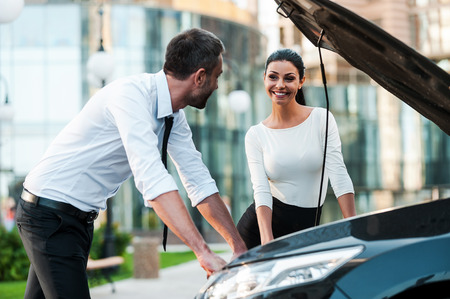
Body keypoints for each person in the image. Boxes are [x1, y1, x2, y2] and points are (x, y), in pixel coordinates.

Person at [15, 28, 247, 299]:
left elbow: (199, 181)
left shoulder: (173, 116)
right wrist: (203, 252)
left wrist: (239, 247)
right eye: (217, 76)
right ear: (200, 77)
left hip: (75, 219)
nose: (218, 86)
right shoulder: (130, 97)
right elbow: (153, 181)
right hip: (49, 215)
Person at [237, 49, 356, 250]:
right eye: (273, 77)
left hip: (306, 227)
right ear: (264, 78)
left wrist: (354, 229)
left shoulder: (321, 119)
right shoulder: (256, 135)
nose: (280, 85)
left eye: (289, 78)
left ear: (301, 81)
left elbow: (339, 175)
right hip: (260, 233)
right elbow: (261, 190)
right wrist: (267, 241)